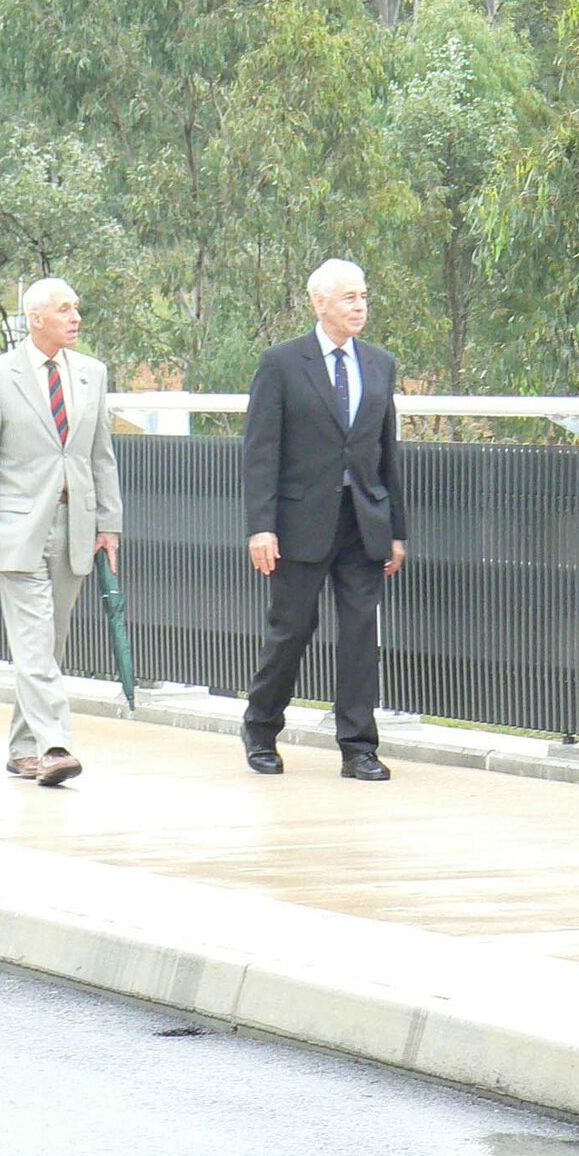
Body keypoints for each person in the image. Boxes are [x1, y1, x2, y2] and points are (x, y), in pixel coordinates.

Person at [241, 258, 406, 781]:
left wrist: (397, 530)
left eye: (363, 296)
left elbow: (387, 452)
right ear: (320, 304)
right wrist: (260, 526)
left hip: (364, 522)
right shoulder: (283, 363)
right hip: (297, 525)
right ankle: (261, 727)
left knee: (361, 634)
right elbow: (260, 452)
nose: (360, 306)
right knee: (292, 630)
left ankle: (358, 747)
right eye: (349, 298)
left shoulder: (380, 364)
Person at [0, 277, 122, 786]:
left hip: (76, 524)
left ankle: (22, 749)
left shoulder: (92, 373)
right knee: (33, 642)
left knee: (50, 644)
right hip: (15, 529)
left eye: (77, 308)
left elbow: (100, 455)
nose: (75, 318)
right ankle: (55, 745)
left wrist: (108, 524)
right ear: (35, 319)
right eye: (64, 310)